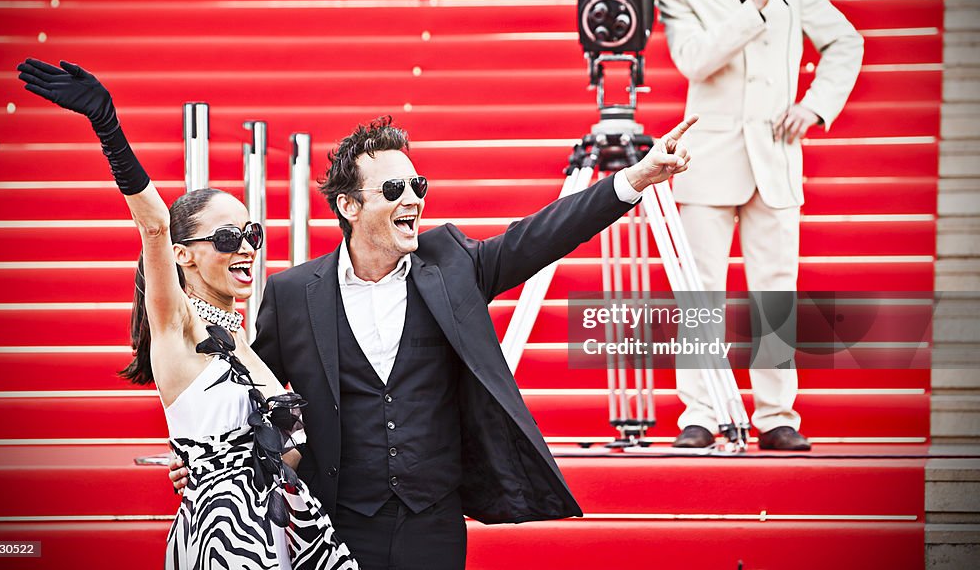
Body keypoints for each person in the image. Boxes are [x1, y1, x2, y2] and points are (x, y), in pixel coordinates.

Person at [171, 114, 697, 569]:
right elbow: (245, 392)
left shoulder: (452, 264)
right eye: (394, 190)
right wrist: (205, 458)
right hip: (337, 524)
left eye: (418, 185)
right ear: (350, 206)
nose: (414, 200)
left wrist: (635, 178)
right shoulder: (292, 294)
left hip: (434, 521)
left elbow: (539, 237)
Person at [16, 58, 359, 570]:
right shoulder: (177, 327)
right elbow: (155, 223)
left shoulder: (244, 339)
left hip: (286, 528)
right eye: (225, 238)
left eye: (252, 234)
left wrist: (212, 463)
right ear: (184, 255)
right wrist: (108, 126)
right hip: (227, 538)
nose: (245, 247)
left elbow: (285, 451)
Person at [654, 0, 864, 451]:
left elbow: (846, 42)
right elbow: (693, 61)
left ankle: (777, 417)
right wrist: (755, 6)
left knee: (776, 292)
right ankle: (699, 414)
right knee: (700, 295)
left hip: (776, 154)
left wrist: (816, 106)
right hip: (709, 159)